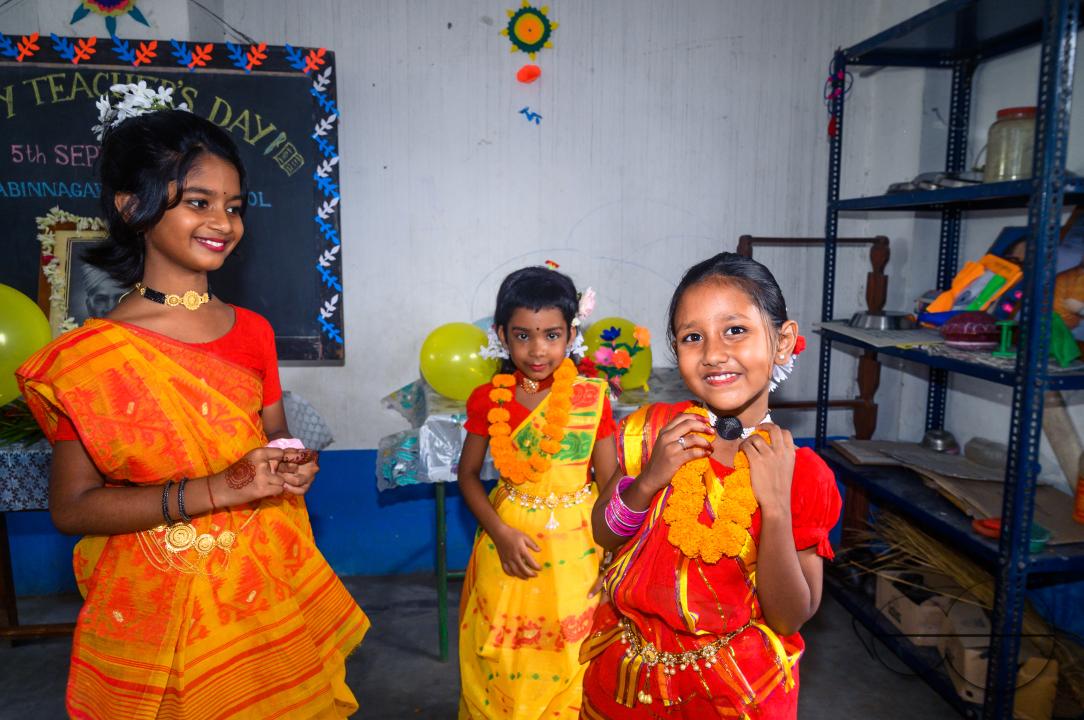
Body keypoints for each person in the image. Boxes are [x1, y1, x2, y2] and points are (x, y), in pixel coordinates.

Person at [17, 84, 369, 719]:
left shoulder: (253, 331)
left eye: (234, 207)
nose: (224, 223)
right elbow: (72, 507)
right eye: (199, 202)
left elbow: (274, 441)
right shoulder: (91, 360)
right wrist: (216, 490)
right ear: (133, 206)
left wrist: (291, 466)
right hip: (153, 604)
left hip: (260, 595)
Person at [580, 252, 841, 718]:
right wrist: (649, 480)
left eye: (735, 330)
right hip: (631, 681)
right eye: (693, 337)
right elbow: (604, 533)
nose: (714, 354)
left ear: (783, 342)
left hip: (736, 690)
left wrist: (775, 507)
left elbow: (789, 617)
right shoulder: (653, 433)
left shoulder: (802, 472)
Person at [457, 266, 618, 719]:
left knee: (573, 655)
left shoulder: (592, 397)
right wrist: (501, 533)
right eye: (523, 335)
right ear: (501, 336)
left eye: (551, 335)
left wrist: (614, 557)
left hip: (579, 550)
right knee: (504, 655)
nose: (537, 349)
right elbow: (467, 475)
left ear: (571, 335)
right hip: (509, 545)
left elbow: (610, 484)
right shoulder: (489, 398)